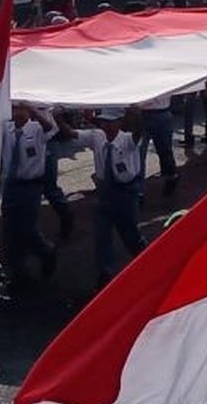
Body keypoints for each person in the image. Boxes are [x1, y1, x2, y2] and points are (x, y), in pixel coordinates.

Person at [60, 108, 147, 287]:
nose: (106, 125)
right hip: (105, 193)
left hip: (126, 192)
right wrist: (57, 117)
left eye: (110, 122)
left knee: (130, 234)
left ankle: (148, 260)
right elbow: (71, 134)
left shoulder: (127, 140)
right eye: (104, 121)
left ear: (119, 122)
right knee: (102, 235)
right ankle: (105, 274)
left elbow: (138, 133)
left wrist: (135, 113)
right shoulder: (97, 136)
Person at [0, 103, 58, 289]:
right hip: (11, 185)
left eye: (22, 109)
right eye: (15, 108)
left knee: (27, 228)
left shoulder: (36, 128)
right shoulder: (6, 128)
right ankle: (18, 271)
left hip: (31, 185)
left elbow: (51, 129)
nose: (18, 113)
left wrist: (34, 111)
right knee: (10, 229)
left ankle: (46, 252)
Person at [137, 94, 180, 197]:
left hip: (160, 113)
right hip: (143, 115)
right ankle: (139, 191)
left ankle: (171, 176)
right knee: (139, 153)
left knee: (164, 151)